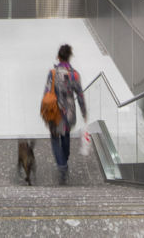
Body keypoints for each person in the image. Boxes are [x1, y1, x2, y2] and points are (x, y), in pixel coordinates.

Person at [43, 44, 87, 185]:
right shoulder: (75, 75)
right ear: (70, 57)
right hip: (69, 113)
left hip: (55, 112)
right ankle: (65, 159)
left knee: (55, 139)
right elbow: (79, 94)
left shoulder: (53, 73)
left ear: (58, 56)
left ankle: (62, 166)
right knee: (66, 136)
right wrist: (84, 111)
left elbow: (47, 92)